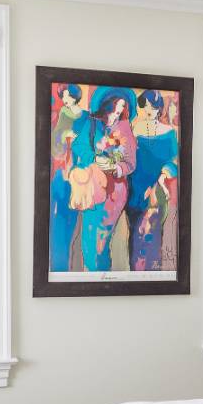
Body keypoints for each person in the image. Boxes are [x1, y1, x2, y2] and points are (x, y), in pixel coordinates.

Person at [78, 90, 137, 271]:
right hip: (92, 188)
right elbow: (79, 147)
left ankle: (101, 279)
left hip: (114, 192)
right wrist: (94, 159)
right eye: (114, 108)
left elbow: (130, 163)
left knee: (101, 239)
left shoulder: (125, 128)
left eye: (121, 109)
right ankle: (93, 279)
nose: (116, 114)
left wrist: (115, 168)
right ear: (106, 104)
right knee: (88, 238)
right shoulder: (92, 122)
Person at [128, 90, 179, 271]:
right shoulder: (134, 129)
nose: (149, 109)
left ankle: (152, 278)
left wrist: (163, 176)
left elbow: (173, 162)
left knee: (153, 236)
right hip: (135, 190)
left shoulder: (169, 132)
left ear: (159, 108)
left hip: (158, 189)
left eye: (153, 106)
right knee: (136, 235)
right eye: (146, 105)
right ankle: (136, 277)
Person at [47, 84, 87, 272]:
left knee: (77, 226)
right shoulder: (63, 113)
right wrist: (64, 136)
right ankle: (59, 268)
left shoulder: (87, 117)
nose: (64, 100)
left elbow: (89, 147)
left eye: (67, 96)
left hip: (80, 177)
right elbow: (55, 143)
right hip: (61, 175)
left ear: (75, 96)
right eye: (62, 96)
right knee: (59, 222)